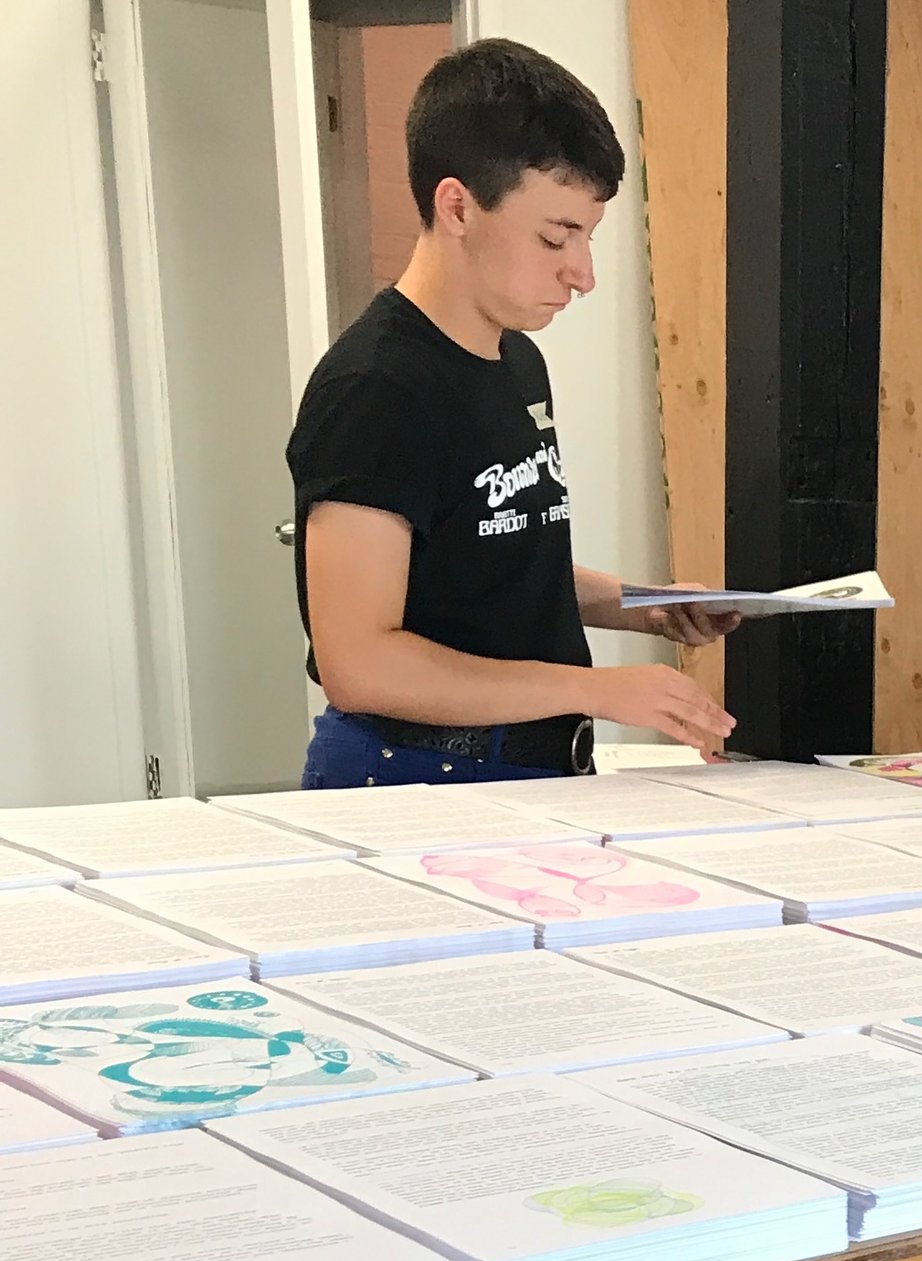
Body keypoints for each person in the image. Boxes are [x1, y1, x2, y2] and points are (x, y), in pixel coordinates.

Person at [287, 38, 738, 788]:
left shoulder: (516, 358)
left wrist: (650, 605)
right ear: (457, 206)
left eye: (587, 237)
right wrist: (595, 689)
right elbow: (358, 663)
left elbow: (491, 564)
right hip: (413, 777)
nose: (583, 274)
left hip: (530, 771)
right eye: (556, 237)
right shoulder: (374, 390)